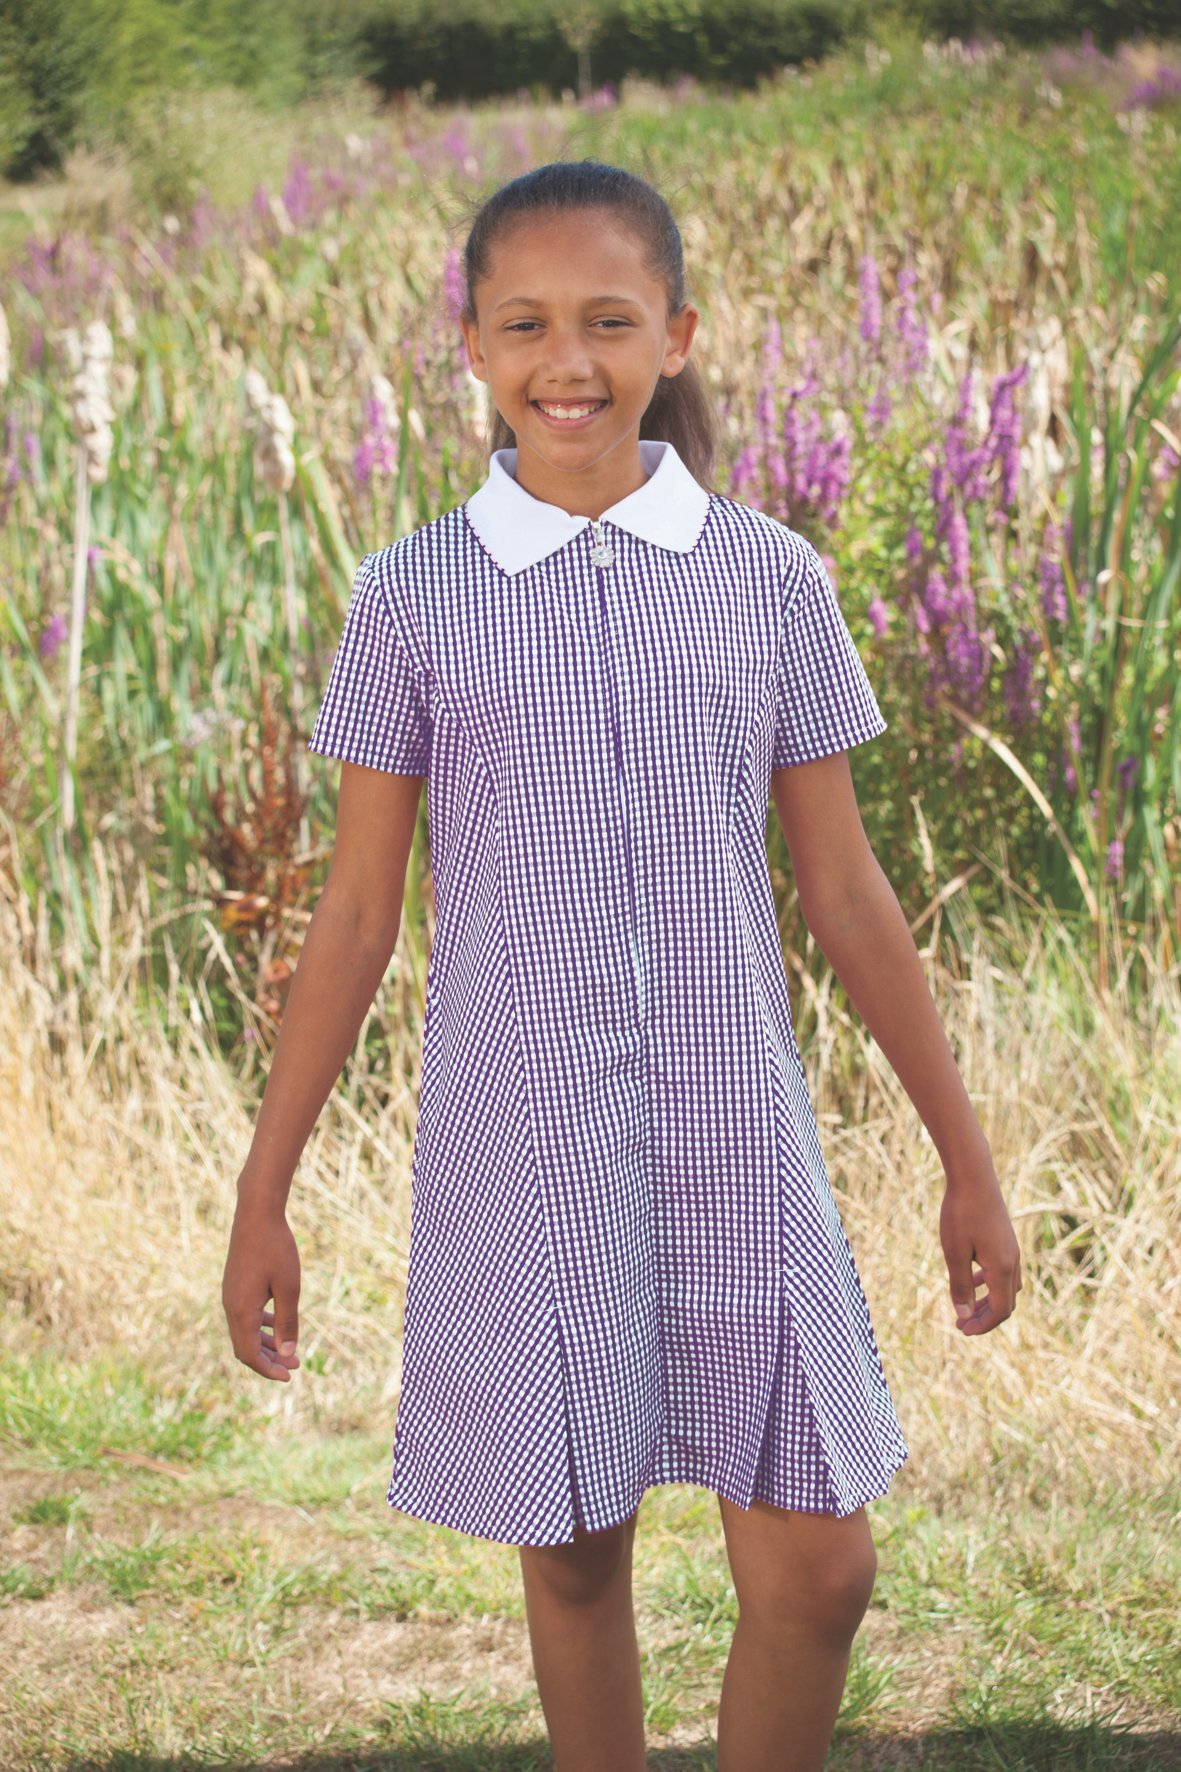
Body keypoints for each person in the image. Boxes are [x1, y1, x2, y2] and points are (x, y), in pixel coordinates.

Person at [222, 158, 1022, 1772]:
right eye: (523, 324)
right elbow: (358, 918)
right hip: (529, 1142)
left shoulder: (771, 579)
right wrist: (265, 1188)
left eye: (607, 319)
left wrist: (965, 1157)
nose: (565, 360)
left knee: (819, 1573)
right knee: (577, 1557)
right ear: (469, 345)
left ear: (678, 334)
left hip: (741, 1141)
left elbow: (847, 891)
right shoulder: (409, 596)